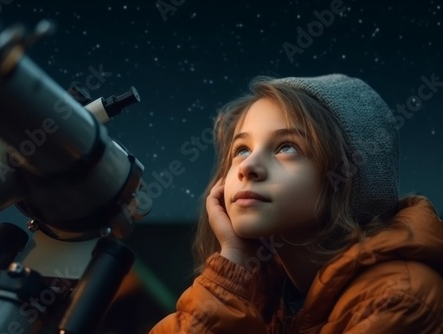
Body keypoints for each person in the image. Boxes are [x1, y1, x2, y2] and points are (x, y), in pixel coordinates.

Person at [150, 74, 443, 333]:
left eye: (286, 147)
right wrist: (230, 267)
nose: (248, 167)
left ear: (350, 174)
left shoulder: (397, 298)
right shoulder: (263, 291)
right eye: (241, 149)